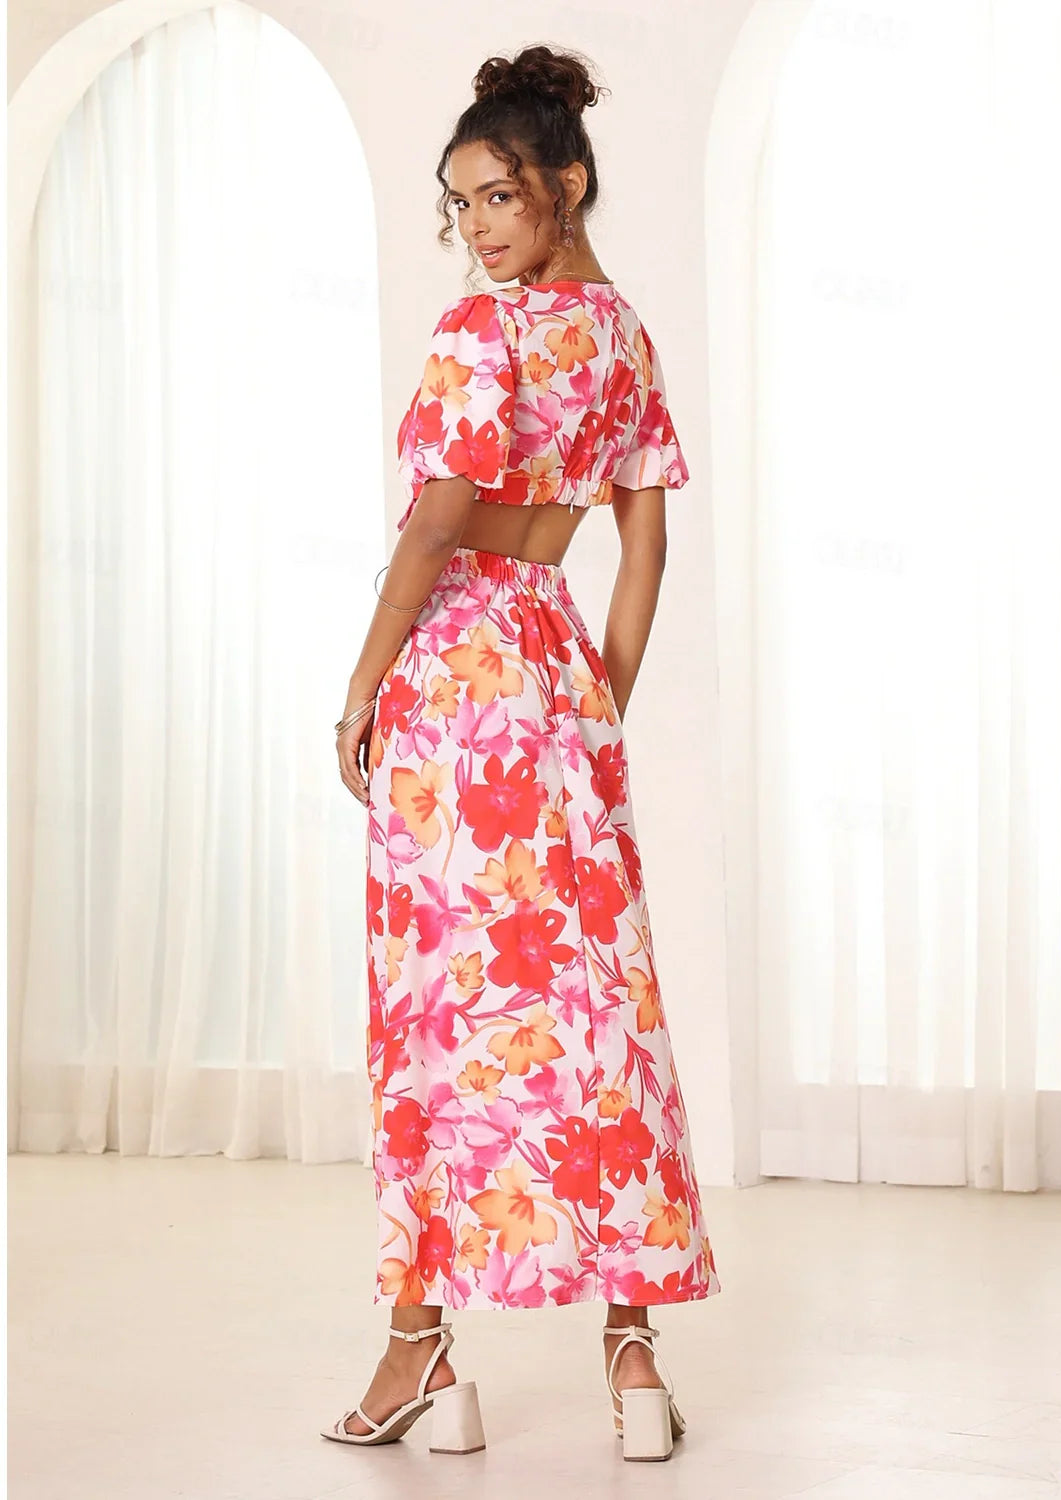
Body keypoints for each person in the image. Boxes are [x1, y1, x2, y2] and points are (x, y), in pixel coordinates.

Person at [324, 43, 721, 1463]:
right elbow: (644, 544)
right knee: (597, 1008)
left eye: (499, 195)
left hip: (453, 678)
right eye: (461, 204)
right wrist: (597, 701)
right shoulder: (628, 339)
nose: (479, 227)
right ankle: (633, 1357)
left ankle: (421, 1349)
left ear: (570, 180)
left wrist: (362, 687)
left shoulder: (483, 333)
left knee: (437, 1013)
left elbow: (437, 527)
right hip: (554, 669)